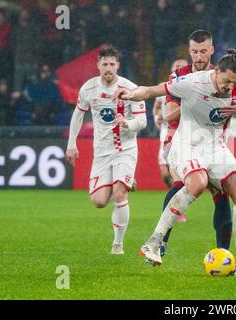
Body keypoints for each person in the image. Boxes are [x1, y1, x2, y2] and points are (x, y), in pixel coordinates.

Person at [116, 49, 236, 277]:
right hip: (187, 144)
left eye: (234, 83)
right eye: (226, 81)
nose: (229, 87)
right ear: (216, 71)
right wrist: (130, 95)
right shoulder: (191, 83)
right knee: (197, 182)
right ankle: (153, 243)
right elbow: (151, 90)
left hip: (216, 146)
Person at [158, 30, 236, 255]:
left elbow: (233, 106)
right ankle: (161, 241)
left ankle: (223, 253)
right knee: (179, 184)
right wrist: (199, 101)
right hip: (180, 139)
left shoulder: (222, 75)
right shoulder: (179, 76)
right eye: (194, 52)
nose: (199, 57)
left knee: (220, 191)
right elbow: (169, 114)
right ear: (189, 51)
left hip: (212, 141)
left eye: (203, 51)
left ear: (212, 50)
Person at [65, 46, 147, 255]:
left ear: (118, 65)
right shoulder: (88, 89)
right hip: (101, 152)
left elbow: (143, 121)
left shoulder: (130, 88)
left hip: (126, 148)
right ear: (98, 65)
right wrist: (71, 144)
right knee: (99, 202)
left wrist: (127, 124)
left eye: (112, 64)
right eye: (105, 64)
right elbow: (78, 114)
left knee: (119, 194)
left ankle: (117, 244)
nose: (108, 68)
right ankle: (126, 181)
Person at [153, 59, 189, 189]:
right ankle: (177, 191)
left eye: (182, 66)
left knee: (180, 172)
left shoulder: (192, 88)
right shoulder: (164, 87)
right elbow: (156, 106)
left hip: (186, 134)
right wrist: (157, 116)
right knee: (165, 174)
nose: (178, 68)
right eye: (176, 66)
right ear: (171, 69)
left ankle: (179, 194)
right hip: (166, 133)